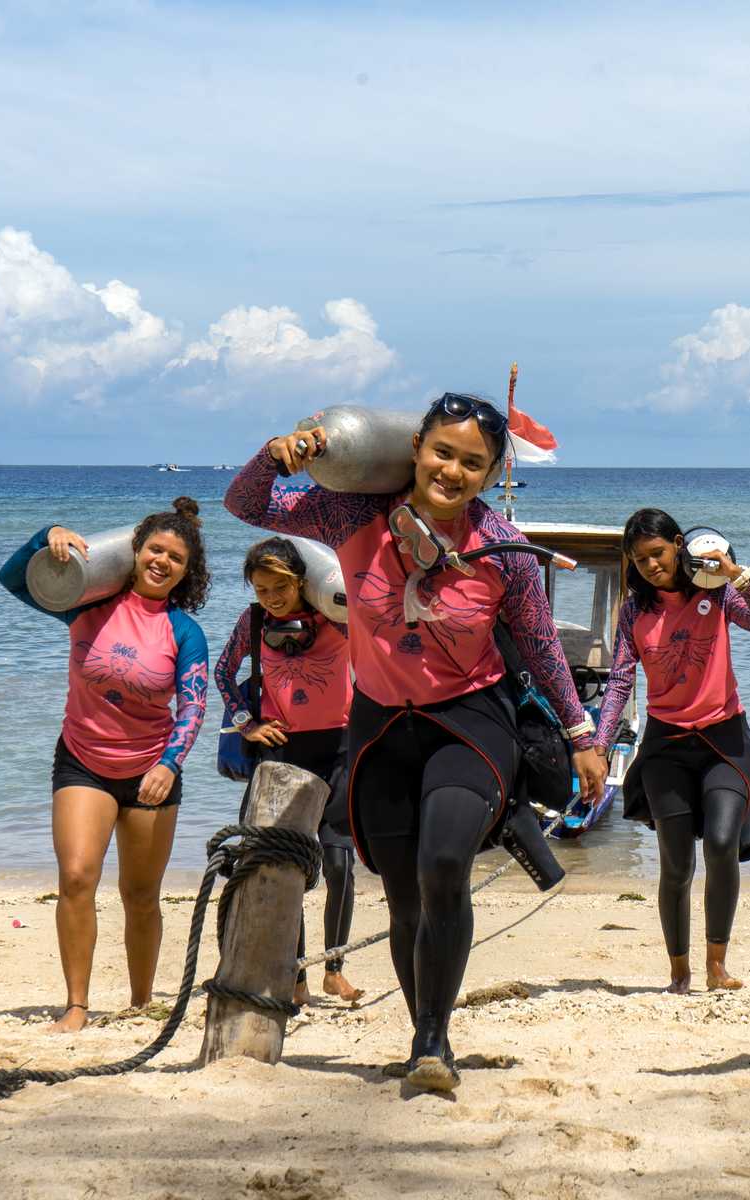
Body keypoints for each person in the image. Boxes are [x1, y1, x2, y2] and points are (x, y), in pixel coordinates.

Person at [224, 392, 605, 1092]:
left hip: (470, 721)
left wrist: (582, 732)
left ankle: (434, 1041)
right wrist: (277, 454)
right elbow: (246, 505)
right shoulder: (352, 513)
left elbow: (541, 645)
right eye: (443, 453)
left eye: (473, 463)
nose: (453, 471)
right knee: (401, 895)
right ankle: (421, 1027)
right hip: (380, 728)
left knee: (442, 863)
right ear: (415, 450)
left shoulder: (502, 551)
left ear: (491, 475)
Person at [0, 498, 211, 1034]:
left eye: (176, 558)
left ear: (187, 572)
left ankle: (141, 1003)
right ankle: (76, 1006)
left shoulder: (185, 632)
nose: (162, 561)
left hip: (150, 773)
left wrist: (169, 763)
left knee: (140, 896)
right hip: (82, 761)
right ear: (135, 552)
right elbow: (14, 580)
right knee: (75, 878)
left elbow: (195, 705)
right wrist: (47, 535)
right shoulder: (87, 605)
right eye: (155, 550)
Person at [592, 510, 750, 993]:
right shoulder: (635, 610)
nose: (652, 565)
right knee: (676, 864)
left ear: (678, 544)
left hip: (725, 740)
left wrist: (738, 577)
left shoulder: (716, 591)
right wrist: (598, 745)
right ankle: (679, 973)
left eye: (658, 553)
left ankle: (717, 966)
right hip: (667, 746)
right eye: (641, 559)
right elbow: (618, 681)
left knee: (722, 843)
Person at [215, 535, 362, 1006]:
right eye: (261, 589)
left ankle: (333, 969)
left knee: (339, 864)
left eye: (280, 586)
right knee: (285, 867)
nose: (272, 597)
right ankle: (294, 976)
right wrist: (248, 723)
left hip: (338, 749)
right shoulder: (253, 622)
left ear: (301, 580)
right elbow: (223, 673)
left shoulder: (336, 617)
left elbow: (381, 652)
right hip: (281, 753)